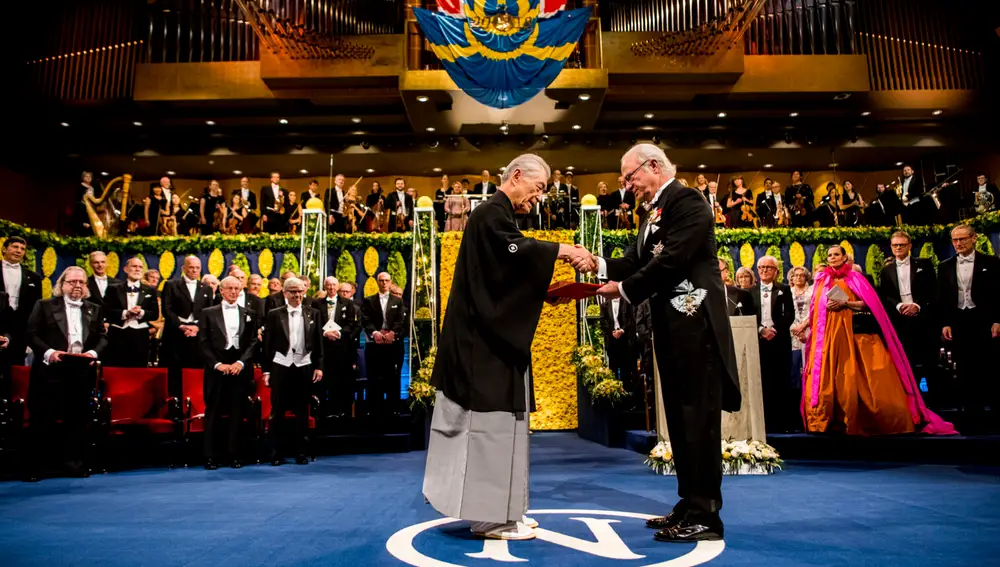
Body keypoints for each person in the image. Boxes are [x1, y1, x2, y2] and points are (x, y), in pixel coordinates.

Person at [424, 153, 592, 541]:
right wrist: (564, 249)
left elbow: (510, 277)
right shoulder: (489, 215)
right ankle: (488, 518)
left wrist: (541, 291)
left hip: (491, 344)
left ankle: (506, 510)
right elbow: (514, 255)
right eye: (537, 189)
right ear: (516, 176)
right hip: (478, 347)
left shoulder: (501, 218)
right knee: (487, 429)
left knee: (505, 429)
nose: (539, 198)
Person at [593, 144, 740, 543]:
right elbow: (636, 261)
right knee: (680, 421)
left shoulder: (688, 201)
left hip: (697, 329)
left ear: (653, 166)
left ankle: (707, 515)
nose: (628, 187)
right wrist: (597, 264)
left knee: (698, 422)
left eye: (630, 177)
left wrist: (623, 290)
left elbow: (671, 260)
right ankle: (689, 502)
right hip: (674, 332)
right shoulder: (655, 211)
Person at [792, 246, 956, 436]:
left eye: (836, 254)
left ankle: (863, 418)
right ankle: (831, 419)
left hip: (855, 333)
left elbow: (869, 304)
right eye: (829, 255)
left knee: (856, 376)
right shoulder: (822, 280)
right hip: (829, 336)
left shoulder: (855, 278)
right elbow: (815, 311)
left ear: (845, 257)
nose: (833, 257)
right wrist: (803, 326)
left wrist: (846, 303)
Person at [24, 267, 107, 481]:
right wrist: (49, 353)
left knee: (77, 419)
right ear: (62, 284)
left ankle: (74, 466)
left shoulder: (94, 309)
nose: (77, 286)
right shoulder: (44, 306)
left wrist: (92, 352)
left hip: (80, 370)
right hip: (50, 369)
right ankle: (35, 468)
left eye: (81, 282)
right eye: (72, 282)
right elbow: (31, 334)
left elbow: (103, 337)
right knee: (42, 420)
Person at [938, 225, 1000, 432]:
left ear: (974, 238)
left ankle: (991, 413)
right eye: (954, 240)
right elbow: (944, 298)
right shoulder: (945, 265)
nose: (958, 244)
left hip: (983, 320)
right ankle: (968, 414)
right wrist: (945, 322)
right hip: (958, 320)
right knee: (962, 365)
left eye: (962, 239)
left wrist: (997, 320)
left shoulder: (991, 262)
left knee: (987, 364)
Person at [198, 276, 258, 469]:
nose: (234, 292)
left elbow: (252, 342)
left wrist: (241, 362)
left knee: (236, 413)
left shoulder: (248, 312)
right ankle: (210, 456)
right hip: (216, 369)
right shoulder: (208, 312)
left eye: (237, 289)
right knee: (213, 412)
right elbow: (203, 341)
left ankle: (234, 455)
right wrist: (217, 364)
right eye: (230, 288)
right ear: (221, 291)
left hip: (239, 369)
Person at [262, 277, 323, 465]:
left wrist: (319, 366)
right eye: (293, 292)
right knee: (277, 412)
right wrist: (266, 371)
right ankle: (275, 453)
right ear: (285, 293)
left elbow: (319, 342)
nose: (297, 295)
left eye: (300, 291)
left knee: (302, 412)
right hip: (281, 364)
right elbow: (267, 344)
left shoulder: (313, 313)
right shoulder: (274, 314)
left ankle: (302, 453)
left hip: (304, 365)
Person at [878, 231, 937, 397]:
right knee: (905, 360)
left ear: (909, 246)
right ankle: (909, 396)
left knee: (927, 359)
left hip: (923, 318)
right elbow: (885, 295)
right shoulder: (886, 270)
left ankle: (931, 397)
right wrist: (899, 306)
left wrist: (917, 305)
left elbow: (933, 290)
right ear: (891, 247)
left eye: (902, 245)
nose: (898, 248)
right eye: (895, 245)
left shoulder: (924, 265)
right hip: (899, 321)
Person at [750, 256, 796, 433]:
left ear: (776, 271)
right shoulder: (750, 291)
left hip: (779, 340)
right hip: (758, 341)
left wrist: (775, 329)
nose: (764, 270)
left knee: (781, 380)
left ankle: (781, 423)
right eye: (761, 267)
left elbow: (790, 314)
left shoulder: (784, 289)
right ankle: (763, 422)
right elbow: (748, 314)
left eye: (769, 267)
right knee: (762, 380)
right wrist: (761, 330)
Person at [161, 256, 216, 398]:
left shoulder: (207, 289)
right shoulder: (171, 285)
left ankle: (193, 401)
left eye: (198, 268)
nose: (195, 270)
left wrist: (197, 327)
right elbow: (167, 309)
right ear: (183, 268)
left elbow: (209, 312)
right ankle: (174, 402)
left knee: (194, 370)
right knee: (175, 371)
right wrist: (181, 326)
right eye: (191, 267)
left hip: (197, 336)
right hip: (175, 334)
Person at [361, 272, 405, 419]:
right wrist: (375, 333)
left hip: (392, 345)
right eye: (381, 281)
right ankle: (373, 409)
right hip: (375, 344)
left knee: (392, 377)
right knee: (373, 377)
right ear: (377, 282)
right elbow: (366, 320)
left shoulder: (397, 301)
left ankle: (393, 409)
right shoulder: (369, 300)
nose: (384, 283)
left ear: (390, 282)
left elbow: (400, 320)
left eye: (386, 280)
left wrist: (393, 333)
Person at [104, 257, 159, 368]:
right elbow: (106, 311)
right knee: (117, 367)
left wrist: (142, 312)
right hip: (118, 333)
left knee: (138, 368)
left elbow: (154, 314)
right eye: (134, 266)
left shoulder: (150, 290)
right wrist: (126, 313)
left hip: (140, 334)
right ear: (125, 269)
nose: (137, 269)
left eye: (140, 267)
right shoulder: (113, 288)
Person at [317, 276, 360, 417]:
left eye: (334, 285)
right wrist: (325, 333)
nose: (331, 288)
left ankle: (341, 411)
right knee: (324, 380)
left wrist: (338, 333)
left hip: (342, 348)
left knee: (341, 380)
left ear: (337, 287)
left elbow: (351, 324)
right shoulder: (317, 303)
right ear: (325, 286)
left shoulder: (347, 303)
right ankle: (324, 410)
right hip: (323, 347)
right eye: (328, 285)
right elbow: (315, 324)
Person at [0, 237, 42, 375]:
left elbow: (36, 308)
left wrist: (31, 337)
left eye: (22, 249)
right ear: (4, 249)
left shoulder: (34, 277)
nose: (19, 251)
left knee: (15, 369)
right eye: (15, 247)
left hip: (20, 329)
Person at [788, 266, 813, 394]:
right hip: (792, 332)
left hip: (809, 329)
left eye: (801, 275)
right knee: (794, 365)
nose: (798, 277)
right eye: (795, 275)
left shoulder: (812, 291)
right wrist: (796, 329)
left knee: (808, 364)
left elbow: (814, 310)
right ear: (791, 277)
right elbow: (787, 313)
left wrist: (803, 326)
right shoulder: (788, 292)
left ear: (806, 277)